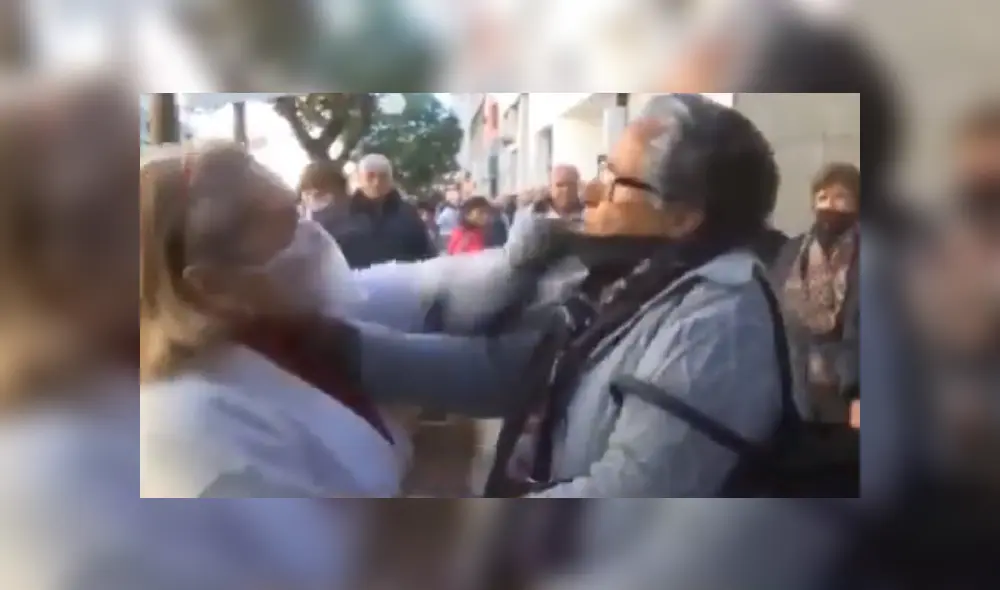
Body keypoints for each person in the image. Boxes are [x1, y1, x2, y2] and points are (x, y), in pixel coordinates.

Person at [366, 94, 786, 499]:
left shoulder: (716, 326)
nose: (590, 192)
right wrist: (347, 348)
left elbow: (627, 499)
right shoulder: (634, 277)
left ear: (681, 218)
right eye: (603, 168)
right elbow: (513, 369)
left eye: (615, 179)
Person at [771, 162, 860, 426]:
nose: (830, 205)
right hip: (800, 384)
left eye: (841, 197)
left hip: (853, 386)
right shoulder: (791, 251)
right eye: (822, 197)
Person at [329, 153, 437, 269]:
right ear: (359, 179)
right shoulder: (340, 214)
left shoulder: (408, 213)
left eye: (383, 176)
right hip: (354, 283)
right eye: (370, 176)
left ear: (391, 180)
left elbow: (427, 254)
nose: (376, 182)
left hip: (403, 283)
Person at [297, 159, 350, 225]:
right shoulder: (296, 217)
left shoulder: (348, 225)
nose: (312, 200)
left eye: (319, 195)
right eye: (307, 194)